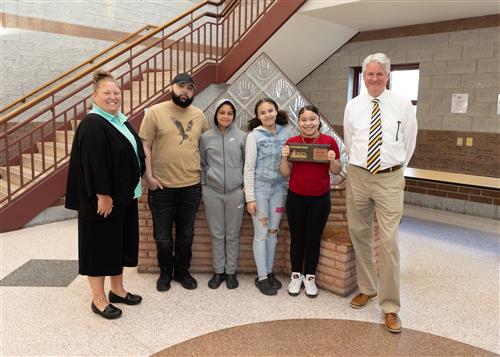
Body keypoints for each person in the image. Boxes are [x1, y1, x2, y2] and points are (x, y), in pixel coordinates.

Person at [343, 53, 418, 333]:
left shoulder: (402, 105)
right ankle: (368, 288)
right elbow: (351, 141)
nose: (374, 79)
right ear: (363, 76)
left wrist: (395, 170)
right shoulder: (353, 106)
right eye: (369, 74)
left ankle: (390, 307)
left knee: (388, 242)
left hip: (389, 177)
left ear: (387, 76)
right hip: (359, 175)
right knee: (359, 233)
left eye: (379, 74)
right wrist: (360, 167)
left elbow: (410, 141)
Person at [65, 70, 145, 320]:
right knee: (99, 248)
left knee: (117, 245)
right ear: (95, 96)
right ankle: (98, 299)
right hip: (104, 201)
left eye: (116, 92)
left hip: (123, 197)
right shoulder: (93, 123)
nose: (113, 97)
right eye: (107, 93)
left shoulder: (118, 120)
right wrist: (104, 195)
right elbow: (93, 163)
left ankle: (118, 290)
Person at [139, 73, 208, 292]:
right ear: (171, 87)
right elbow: (145, 147)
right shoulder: (155, 113)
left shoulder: (199, 115)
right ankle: (165, 271)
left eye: (189, 88)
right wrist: (148, 177)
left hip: (190, 186)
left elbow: (205, 147)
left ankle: (182, 270)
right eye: (181, 86)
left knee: (186, 233)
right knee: (162, 236)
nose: (185, 91)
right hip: (162, 187)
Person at [280, 105, 342, 298]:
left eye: (312, 119)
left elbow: (336, 171)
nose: (308, 123)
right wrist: (283, 157)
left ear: (318, 121)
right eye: (304, 119)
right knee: (297, 238)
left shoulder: (328, 142)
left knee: (313, 239)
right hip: (296, 197)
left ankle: (310, 278)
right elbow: (285, 172)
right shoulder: (292, 142)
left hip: (320, 199)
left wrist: (333, 160)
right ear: (298, 123)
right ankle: (296, 275)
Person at [244, 97, 292, 296]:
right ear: (258, 116)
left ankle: (270, 272)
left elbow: (290, 162)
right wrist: (250, 198)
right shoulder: (254, 136)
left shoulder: (286, 132)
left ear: (276, 111)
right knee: (261, 233)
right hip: (261, 190)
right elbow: (249, 167)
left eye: (270, 110)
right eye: (262, 112)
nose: (267, 115)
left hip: (279, 190)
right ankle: (262, 276)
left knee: (273, 231)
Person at [200, 99, 247, 289]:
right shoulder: (205, 137)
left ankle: (231, 272)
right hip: (212, 192)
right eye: (222, 113)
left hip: (236, 192)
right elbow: (202, 163)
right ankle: (218, 272)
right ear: (216, 115)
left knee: (233, 234)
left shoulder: (243, 137)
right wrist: (204, 185)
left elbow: (248, 163)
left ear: (234, 116)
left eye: (229, 113)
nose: (225, 116)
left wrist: (244, 187)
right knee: (217, 234)